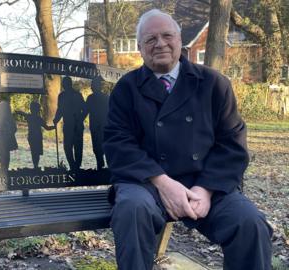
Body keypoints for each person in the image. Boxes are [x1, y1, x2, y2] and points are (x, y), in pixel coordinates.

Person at [103, 9, 272, 270]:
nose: (160, 44)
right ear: (139, 48)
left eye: (167, 35)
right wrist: (162, 183)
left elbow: (232, 145)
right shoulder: (126, 88)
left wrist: (206, 190)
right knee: (131, 210)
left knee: (249, 222)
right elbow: (118, 144)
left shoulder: (214, 83)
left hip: (205, 184)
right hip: (148, 184)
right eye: (150, 39)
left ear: (180, 40)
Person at [53, 76, 86, 171]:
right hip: (72, 125)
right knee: (72, 147)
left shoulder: (69, 95)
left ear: (66, 84)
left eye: (64, 83)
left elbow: (85, 108)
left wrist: (80, 119)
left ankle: (75, 166)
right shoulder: (67, 96)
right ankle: (74, 166)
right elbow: (60, 110)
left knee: (74, 147)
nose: (63, 85)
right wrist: (56, 119)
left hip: (73, 125)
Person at [16, 101, 55, 169]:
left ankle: (35, 166)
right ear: (38, 110)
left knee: (34, 152)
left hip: (31, 137)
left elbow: (23, 113)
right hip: (37, 137)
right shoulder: (39, 119)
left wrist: (18, 112)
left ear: (31, 109)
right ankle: (36, 165)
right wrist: (54, 127)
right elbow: (47, 128)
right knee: (37, 152)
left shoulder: (29, 117)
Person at [83, 76, 109, 170]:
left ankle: (101, 165)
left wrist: (79, 120)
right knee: (101, 146)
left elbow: (85, 111)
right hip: (102, 126)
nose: (91, 87)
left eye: (93, 85)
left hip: (98, 126)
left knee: (98, 147)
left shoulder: (92, 98)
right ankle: (102, 165)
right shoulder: (106, 97)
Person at [0, 100, 18, 171]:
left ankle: (3, 168)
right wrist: (11, 133)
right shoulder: (10, 118)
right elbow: (15, 129)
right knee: (6, 155)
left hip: (1, 138)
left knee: (1, 153)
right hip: (8, 138)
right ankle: (5, 168)